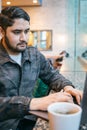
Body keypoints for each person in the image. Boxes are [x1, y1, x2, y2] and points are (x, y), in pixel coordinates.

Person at [0, 6, 82, 130]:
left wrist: (67, 87)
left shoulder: (34, 55)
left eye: (27, 31)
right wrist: (34, 103)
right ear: (2, 31)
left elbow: (52, 75)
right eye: (17, 32)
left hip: (29, 120)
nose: (24, 38)